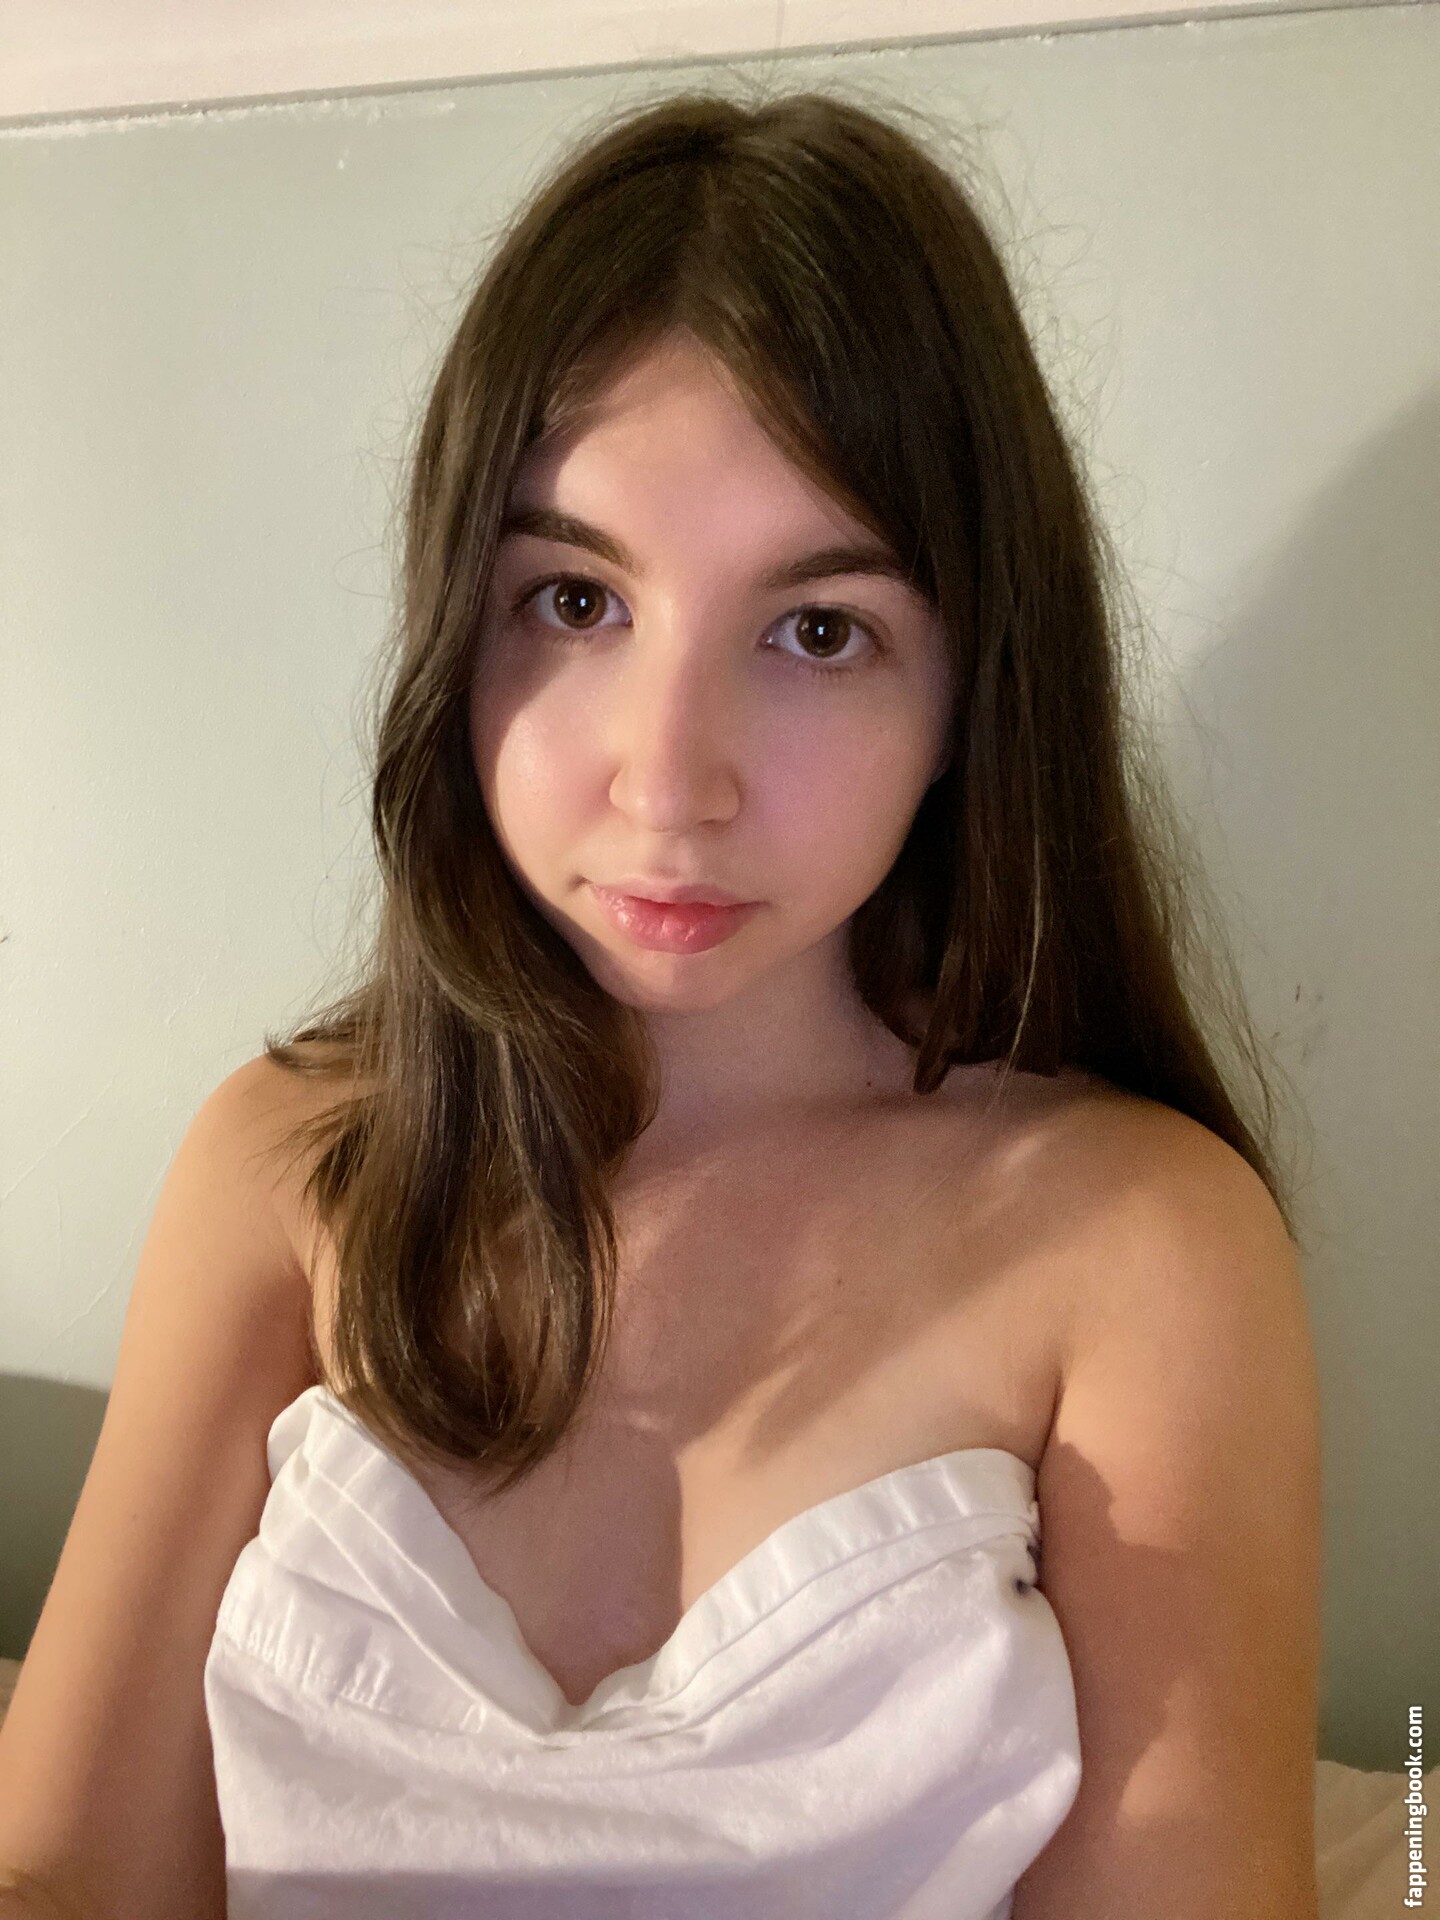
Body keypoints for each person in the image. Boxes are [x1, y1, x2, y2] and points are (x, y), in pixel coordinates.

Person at [0, 83, 1323, 1920]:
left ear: (972, 692)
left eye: (818, 631)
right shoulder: (286, 1167)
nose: (670, 779)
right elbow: (60, 1877)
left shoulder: (1144, 1246)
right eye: (574, 602)